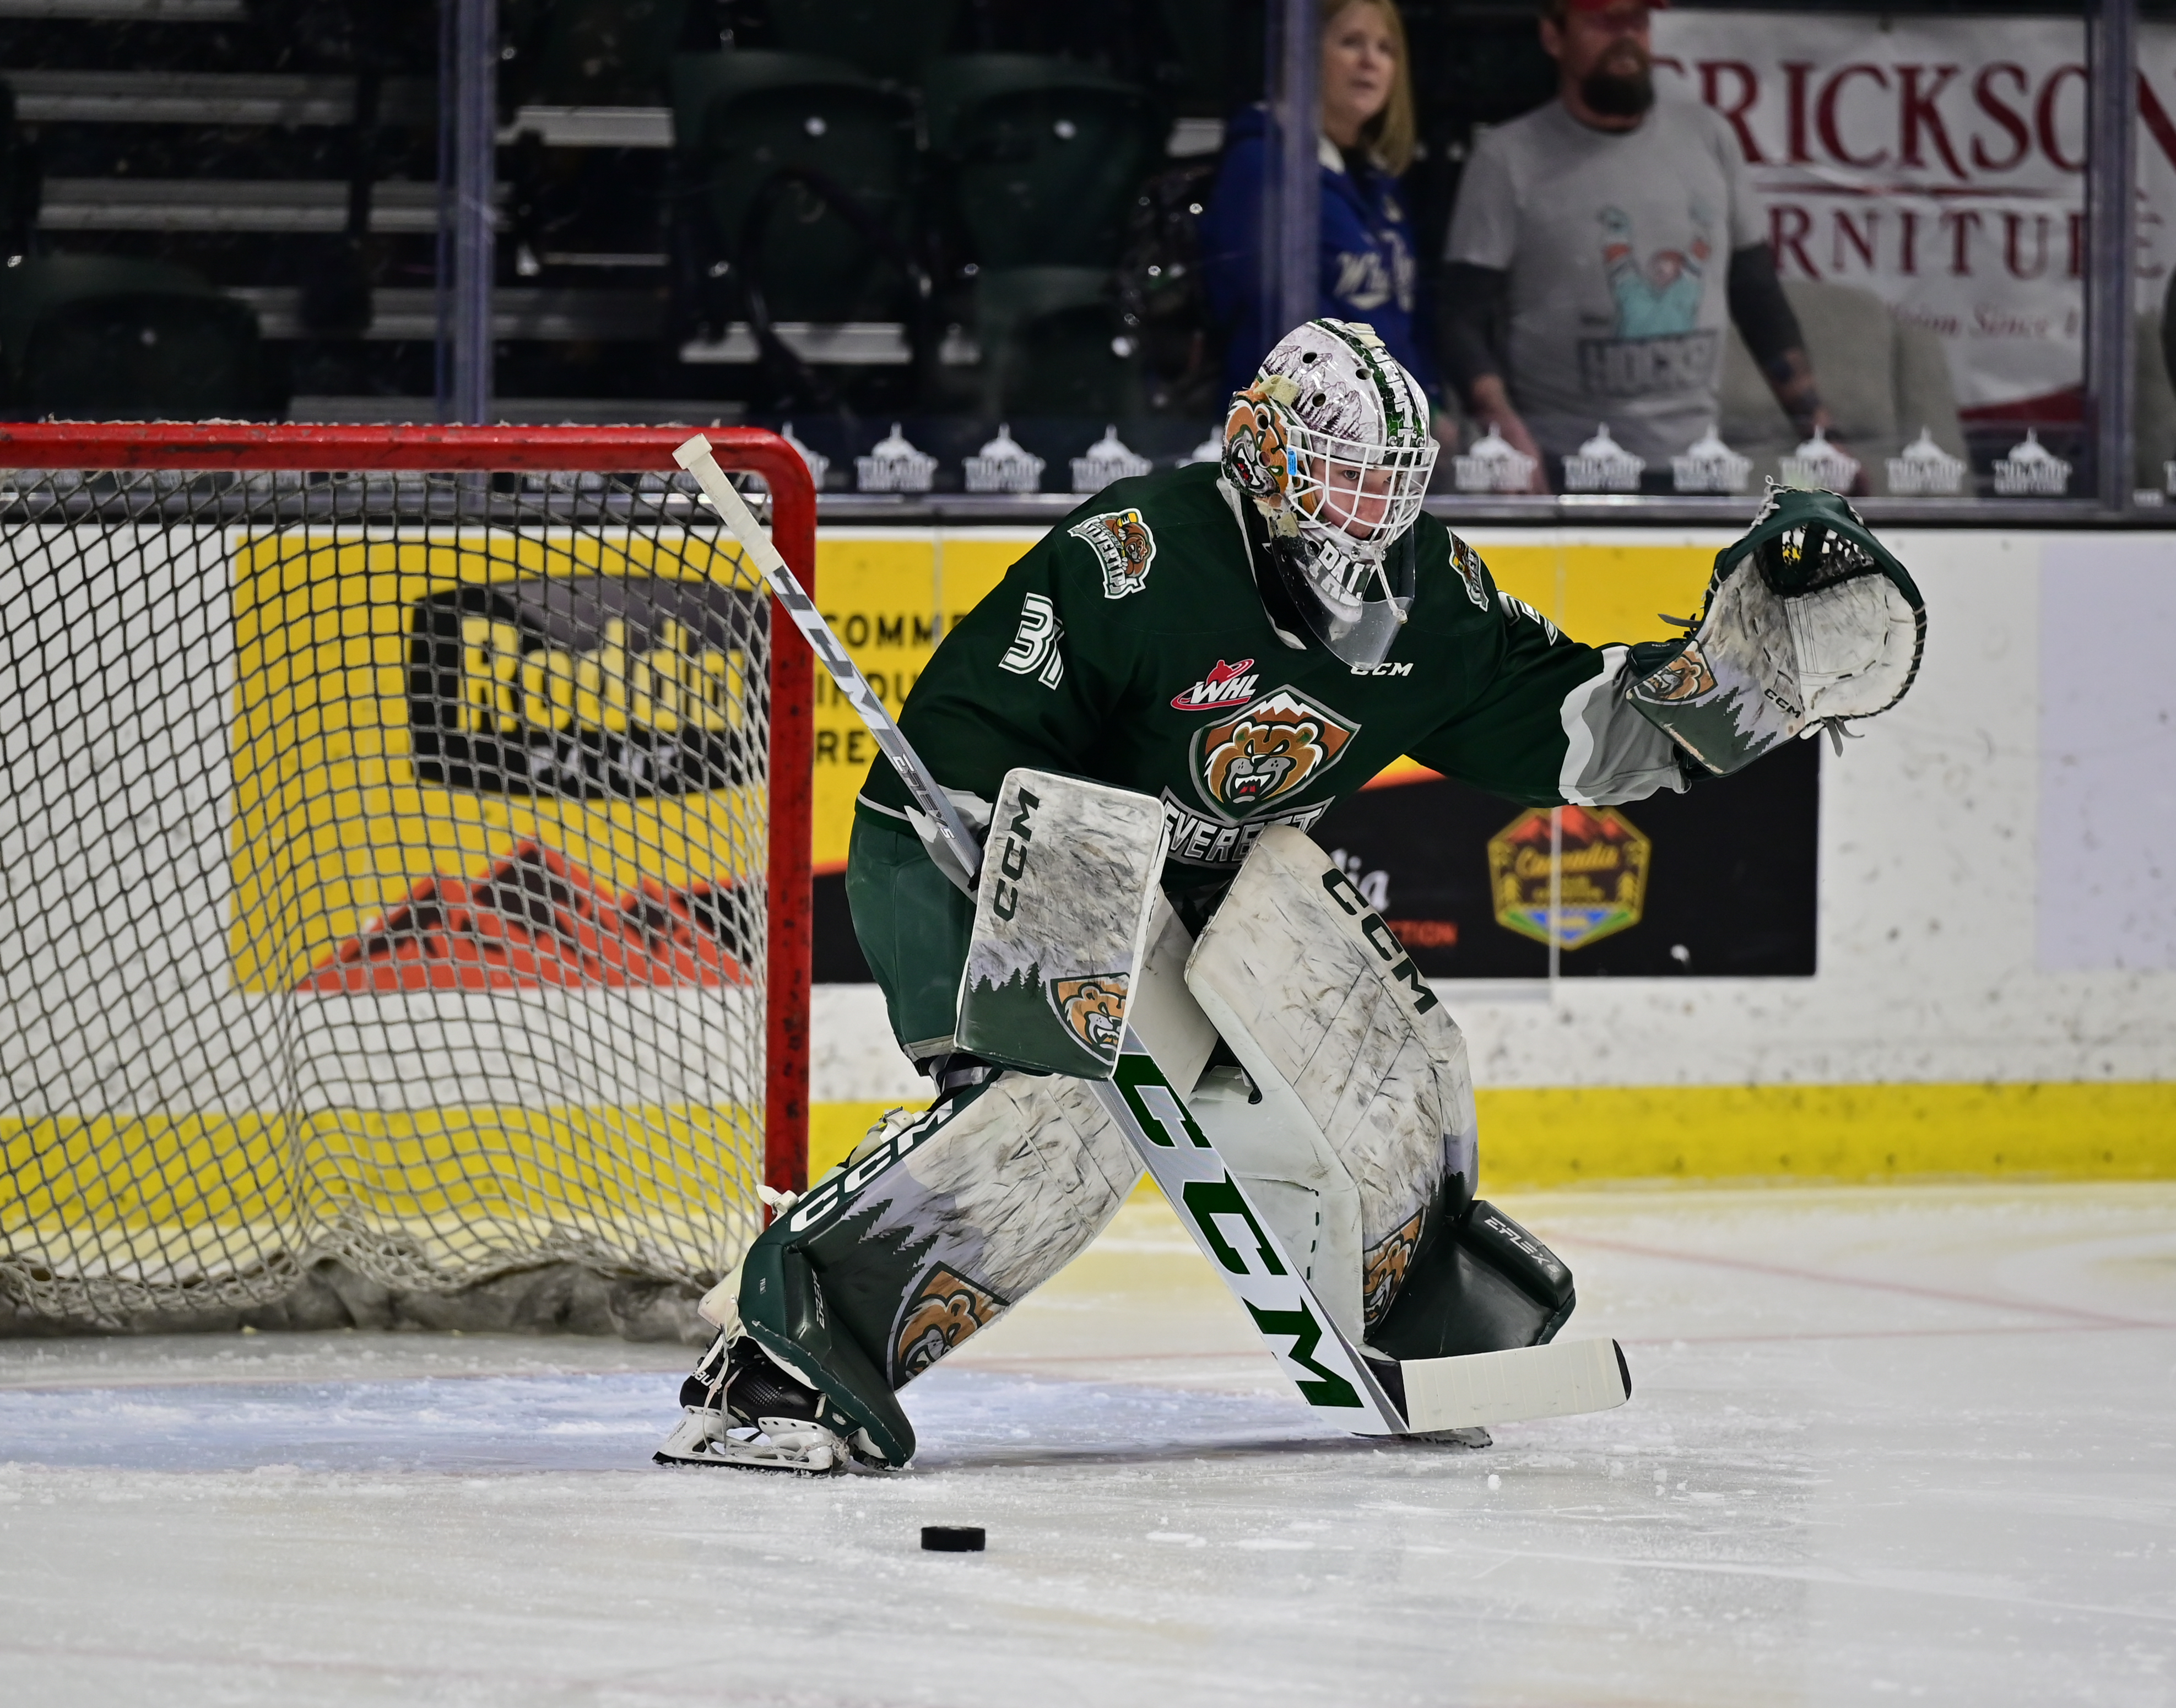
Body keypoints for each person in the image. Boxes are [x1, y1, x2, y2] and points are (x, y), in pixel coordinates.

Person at [656, 319, 1925, 1473]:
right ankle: (783, 1360)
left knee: (1387, 1046)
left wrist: (1727, 685)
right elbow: (961, 743)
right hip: (990, 852)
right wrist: (1052, 934)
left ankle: (1413, 1295)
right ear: (1262, 457)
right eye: (1343, 471)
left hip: (1200, 876)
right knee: (1069, 1111)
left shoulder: (1435, 600)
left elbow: (1573, 731)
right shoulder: (1135, 558)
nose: (1375, 508)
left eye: (1394, 477)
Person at [1439, 0, 1846, 492]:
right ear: (1553, 37)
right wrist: (1506, 435)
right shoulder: (1506, 158)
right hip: (1564, 461)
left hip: (1699, 464)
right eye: (1604, 21)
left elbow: (1758, 295)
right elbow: (1461, 317)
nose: (1626, 36)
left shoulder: (1709, 138)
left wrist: (1819, 435)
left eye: (1637, 20)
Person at [1200, 1, 1447, 430]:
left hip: (1382, 439)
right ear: (1301, 54)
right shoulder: (1262, 165)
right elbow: (1280, 319)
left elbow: (1409, 317)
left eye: (1386, 49)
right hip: (1291, 435)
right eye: (1352, 43)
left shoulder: (1378, 182)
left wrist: (1429, 408)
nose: (1371, 61)